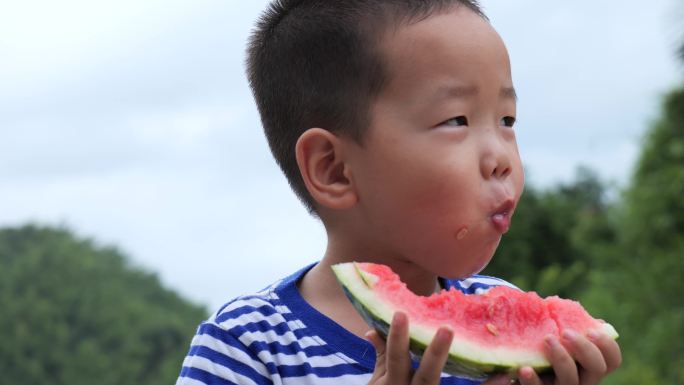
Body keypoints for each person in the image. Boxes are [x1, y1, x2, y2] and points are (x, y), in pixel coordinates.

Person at [176, 1, 622, 384]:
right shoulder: (246, 346)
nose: (502, 157)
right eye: (456, 121)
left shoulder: (497, 314)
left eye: (507, 121)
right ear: (334, 169)